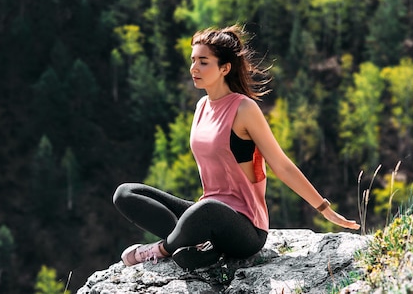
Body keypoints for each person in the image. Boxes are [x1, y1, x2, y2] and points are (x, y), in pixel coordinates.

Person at [113, 25, 360, 271]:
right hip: (207, 213)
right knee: (126, 194)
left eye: (203, 62)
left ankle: (160, 250)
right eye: (193, 60)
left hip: (246, 228)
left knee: (206, 210)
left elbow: (281, 164)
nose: (194, 68)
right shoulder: (201, 106)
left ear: (225, 68)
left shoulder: (244, 109)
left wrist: (325, 209)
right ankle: (196, 247)